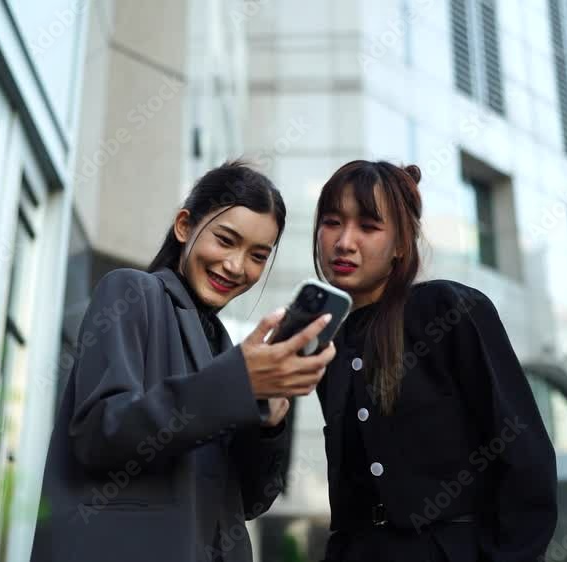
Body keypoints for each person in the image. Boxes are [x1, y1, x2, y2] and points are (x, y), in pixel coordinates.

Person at [31, 160, 338, 562]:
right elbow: (100, 434)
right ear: (184, 226)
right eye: (225, 240)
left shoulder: (226, 348)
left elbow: (248, 501)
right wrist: (238, 383)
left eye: (258, 256)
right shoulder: (131, 292)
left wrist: (269, 423)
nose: (236, 266)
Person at [311, 160, 558, 561]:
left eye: (369, 227)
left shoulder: (448, 310)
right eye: (332, 222)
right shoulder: (326, 344)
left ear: (402, 245)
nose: (344, 242)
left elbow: (525, 459)